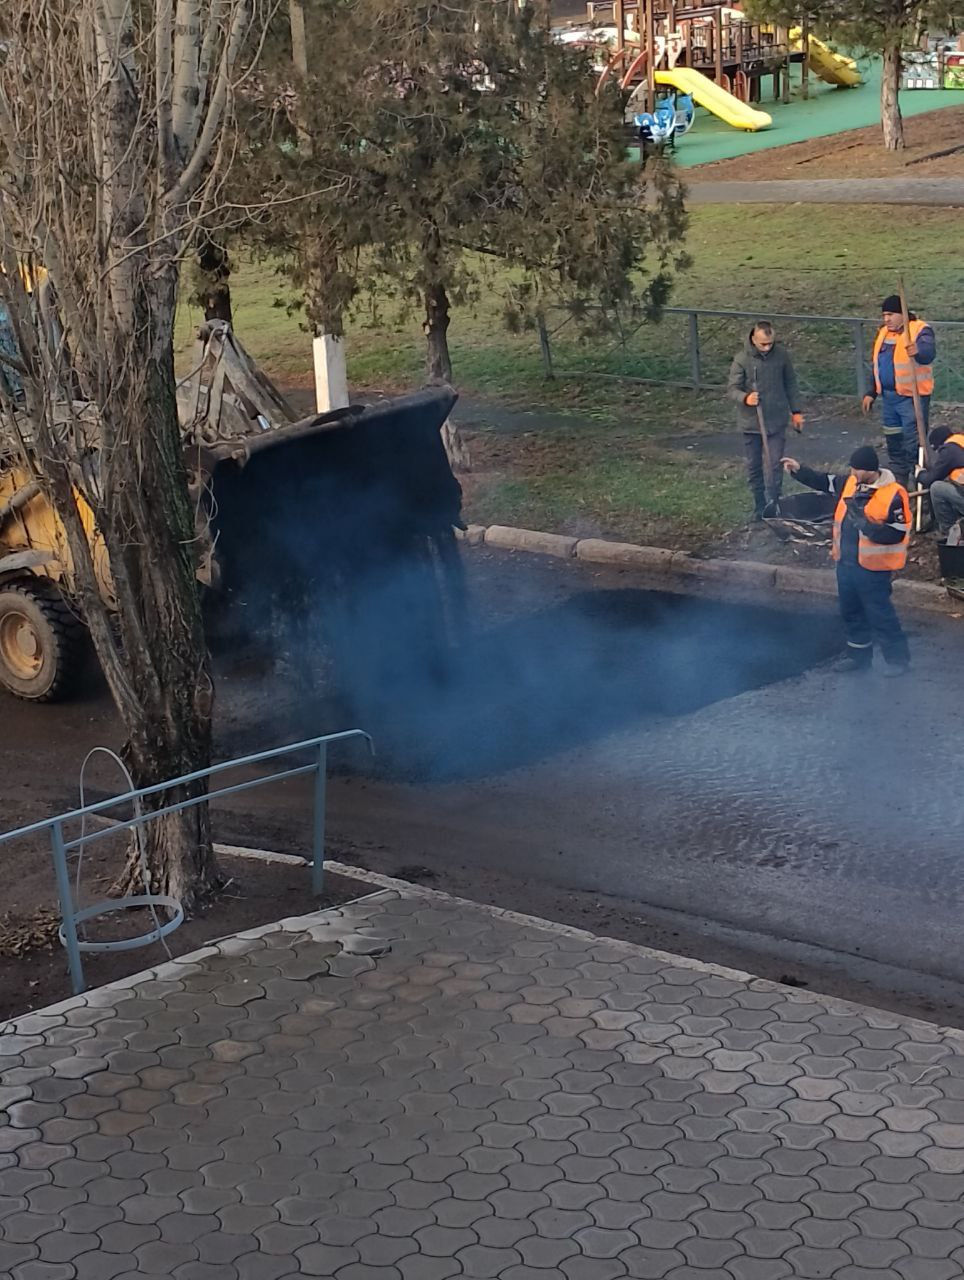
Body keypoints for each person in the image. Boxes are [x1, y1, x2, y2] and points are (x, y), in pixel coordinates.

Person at [782, 445, 911, 676]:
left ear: (869, 470)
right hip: (846, 563)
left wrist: (867, 526)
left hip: (873, 569)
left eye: (856, 469)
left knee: (880, 613)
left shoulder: (893, 494)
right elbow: (824, 481)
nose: (852, 472)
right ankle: (859, 657)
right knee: (850, 611)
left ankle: (898, 660)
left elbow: (898, 531)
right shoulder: (850, 483)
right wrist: (799, 470)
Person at [727, 321, 804, 522]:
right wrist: (746, 398)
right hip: (751, 423)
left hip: (776, 420)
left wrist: (796, 411)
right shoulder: (742, 360)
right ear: (753, 339)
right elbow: (732, 389)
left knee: (774, 465)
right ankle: (759, 505)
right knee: (754, 466)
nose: (768, 347)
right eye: (763, 344)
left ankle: (775, 504)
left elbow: (791, 383)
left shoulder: (781, 356)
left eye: (770, 343)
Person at [862, 295, 936, 490]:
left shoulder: (920, 330)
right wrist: (871, 392)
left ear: (902, 314)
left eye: (890, 314)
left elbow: (928, 353)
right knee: (894, 442)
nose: (886, 319)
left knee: (914, 445)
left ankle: (921, 486)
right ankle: (899, 484)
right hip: (889, 400)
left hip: (912, 400)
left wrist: (918, 351)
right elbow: (877, 365)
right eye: (884, 315)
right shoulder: (884, 333)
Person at [918, 425, 964, 538]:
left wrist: (920, 474)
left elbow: (930, 479)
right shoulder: (960, 441)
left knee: (937, 488)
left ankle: (949, 531)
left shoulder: (948, 451)